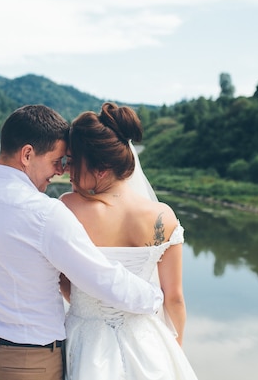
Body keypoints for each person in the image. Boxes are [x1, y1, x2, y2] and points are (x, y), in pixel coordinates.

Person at [0, 104, 164, 380]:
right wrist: (153, 297)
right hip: (27, 364)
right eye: (57, 161)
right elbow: (99, 277)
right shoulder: (45, 213)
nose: (60, 171)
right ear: (27, 154)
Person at [59, 102, 198, 380]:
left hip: (85, 339)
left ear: (101, 168)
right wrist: (176, 346)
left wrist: (89, 305)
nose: (67, 171)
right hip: (147, 341)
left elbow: (62, 280)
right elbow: (175, 298)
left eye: (74, 162)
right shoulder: (163, 216)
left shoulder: (67, 207)